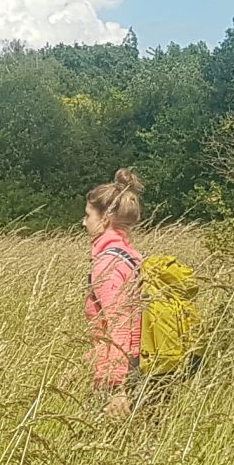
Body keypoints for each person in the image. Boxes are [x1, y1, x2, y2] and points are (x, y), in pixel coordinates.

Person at [83, 168, 146, 417]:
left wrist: (116, 386)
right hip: (137, 363)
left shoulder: (107, 263)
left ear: (105, 218)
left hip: (120, 373)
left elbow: (119, 323)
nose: (83, 221)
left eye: (88, 215)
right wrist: (83, 365)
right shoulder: (131, 256)